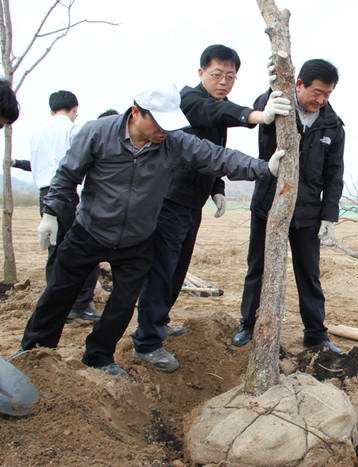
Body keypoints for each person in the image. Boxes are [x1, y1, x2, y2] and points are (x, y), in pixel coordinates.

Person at [15, 77, 285, 376]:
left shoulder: (173, 143)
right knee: (57, 295)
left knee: (122, 305)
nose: (163, 131)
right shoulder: (96, 132)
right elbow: (67, 174)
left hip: (136, 239)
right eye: (158, 123)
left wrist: (264, 168)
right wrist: (50, 213)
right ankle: (33, 353)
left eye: (169, 125)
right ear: (135, 112)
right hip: (89, 231)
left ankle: (99, 357)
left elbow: (216, 156)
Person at [131, 45, 291, 372]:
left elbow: (212, 154)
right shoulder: (188, 100)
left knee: (176, 271)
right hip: (169, 201)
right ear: (201, 73)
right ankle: (147, 342)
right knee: (162, 270)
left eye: (230, 77)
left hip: (191, 203)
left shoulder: (214, 106)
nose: (224, 82)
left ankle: (157, 324)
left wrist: (217, 187)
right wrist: (258, 115)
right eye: (217, 75)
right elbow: (214, 113)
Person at [231, 59, 345, 354]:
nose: (321, 100)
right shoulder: (277, 106)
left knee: (309, 273)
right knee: (258, 267)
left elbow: (334, 175)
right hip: (269, 205)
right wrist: (271, 90)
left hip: (308, 213)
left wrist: (329, 215)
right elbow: (260, 107)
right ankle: (248, 325)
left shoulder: (332, 124)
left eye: (328, 94)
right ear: (299, 85)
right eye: (316, 92)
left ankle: (316, 334)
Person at [28, 91, 101, 323]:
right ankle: (80, 305)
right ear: (75, 108)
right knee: (86, 246)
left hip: (45, 194)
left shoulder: (37, 134)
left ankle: (56, 305)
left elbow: (35, 164)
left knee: (55, 249)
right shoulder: (74, 129)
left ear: (52, 110)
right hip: (69, 192)